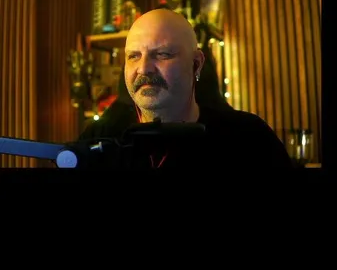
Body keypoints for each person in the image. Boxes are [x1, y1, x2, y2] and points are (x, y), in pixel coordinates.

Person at [77, 9, 294, 169]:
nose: (143, 68)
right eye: (133, 56)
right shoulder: (97, 141)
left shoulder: (249, 139)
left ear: (196, 64)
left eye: (162, 54)